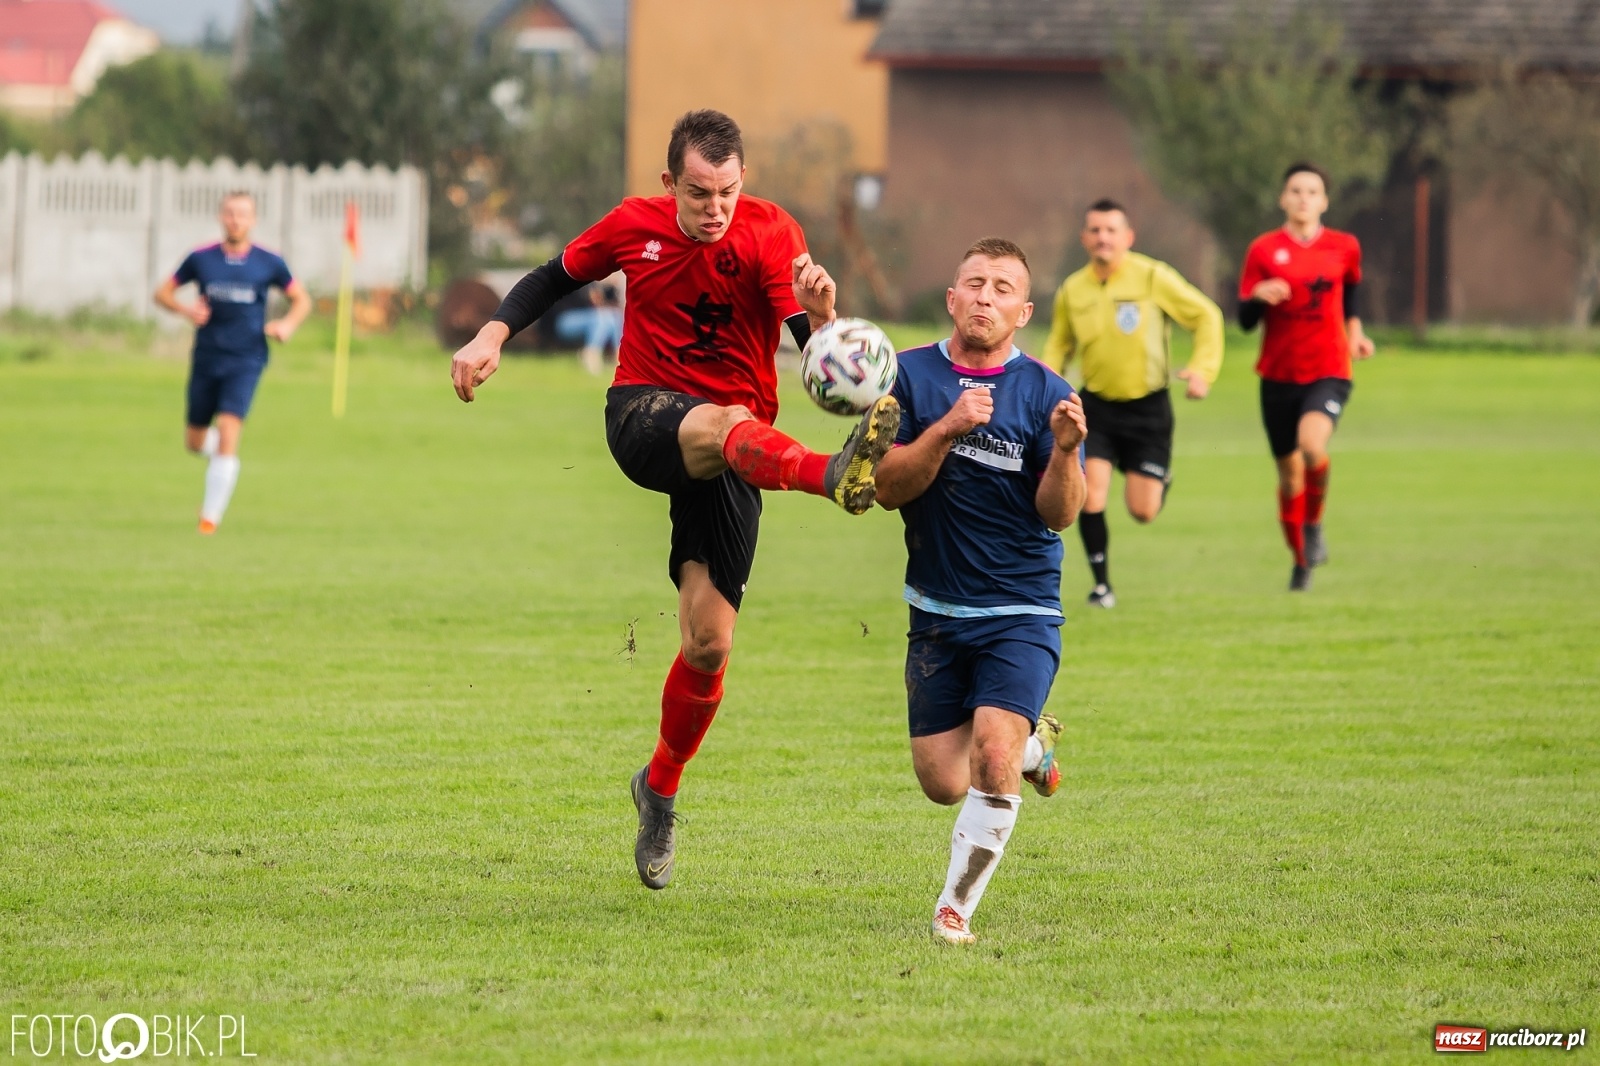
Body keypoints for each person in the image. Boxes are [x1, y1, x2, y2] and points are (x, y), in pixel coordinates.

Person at [448, 109, 900, 890]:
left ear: (743, 181)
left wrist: (824, 318)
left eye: (727, 191)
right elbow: (553, 276)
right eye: (698, 193)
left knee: (709, 644)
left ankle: (657, 789)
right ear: (670, 184)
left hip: (741, 450)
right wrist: (492, 335)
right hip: (645, 414)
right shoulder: (634, 225)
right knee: (724, 422)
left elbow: (816, 355)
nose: (714, 208)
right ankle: (832, 476)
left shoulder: (772, 234)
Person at [874, 237, 1087, 945]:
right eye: (975, 283)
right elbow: (885, 488)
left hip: (1021, 608)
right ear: (951, 298)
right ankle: (1033, 748)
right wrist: (949, 426)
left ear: (1023, 312)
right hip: (936, 610)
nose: (986, 297)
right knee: (943, 782)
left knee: (990, 755)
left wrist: (1065, 451)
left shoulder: (1048, 394)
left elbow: (1059, 514)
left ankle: (954, 910)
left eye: (1002, 288)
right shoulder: (909, 377)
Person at [1041, 199, 1223, 609]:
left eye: (1111, 230)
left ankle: (1156, 477)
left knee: (1143, 510)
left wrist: (1202, 370)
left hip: (1148, 410)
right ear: (1084, 238)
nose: (1102, 237)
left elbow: (1206, 316)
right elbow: (1059, 344)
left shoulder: (1153, 276)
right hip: (1097, 407)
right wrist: (1045, 386)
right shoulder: (1073, 289)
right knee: (1091, 495)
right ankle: (1102, 587)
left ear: (1128, 237)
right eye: (1095, 230)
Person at [1238, 162, 1374, 591]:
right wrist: (1258, 297)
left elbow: (1350, 293)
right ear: (1283, 198)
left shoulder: (1344, 246)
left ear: (1324, 201)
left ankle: (1313, 524)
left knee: (1312, 447)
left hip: (1329, 369)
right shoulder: (1263, 250)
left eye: (1312, 192)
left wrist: (1355, 332)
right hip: (1278, 375)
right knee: (1288, 474)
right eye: (1295, 191)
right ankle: (1301, 563)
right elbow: (1244, 320)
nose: (1303, 198)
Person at [154, 191, 310, 534]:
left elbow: (301, 300)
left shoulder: (270, 262)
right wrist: (186, 310)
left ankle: (210, 518)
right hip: (207, 357)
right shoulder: (201, 258)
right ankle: (223, 459)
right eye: (230, 213)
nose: (235, 220)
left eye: (242, 214)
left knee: (228, 427)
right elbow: (161, 293)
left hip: (247, 358)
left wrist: (286, 325)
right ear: (221, 217)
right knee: (194, 442)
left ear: (253, 220)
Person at [555, 282, 623, 375]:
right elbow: (593, 300)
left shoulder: (595, 283)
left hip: (588, 319)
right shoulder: (579, 280)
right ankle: (591, 353)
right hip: (564, 319)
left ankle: (618, 358)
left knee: (614, 316)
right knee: (601, 317)